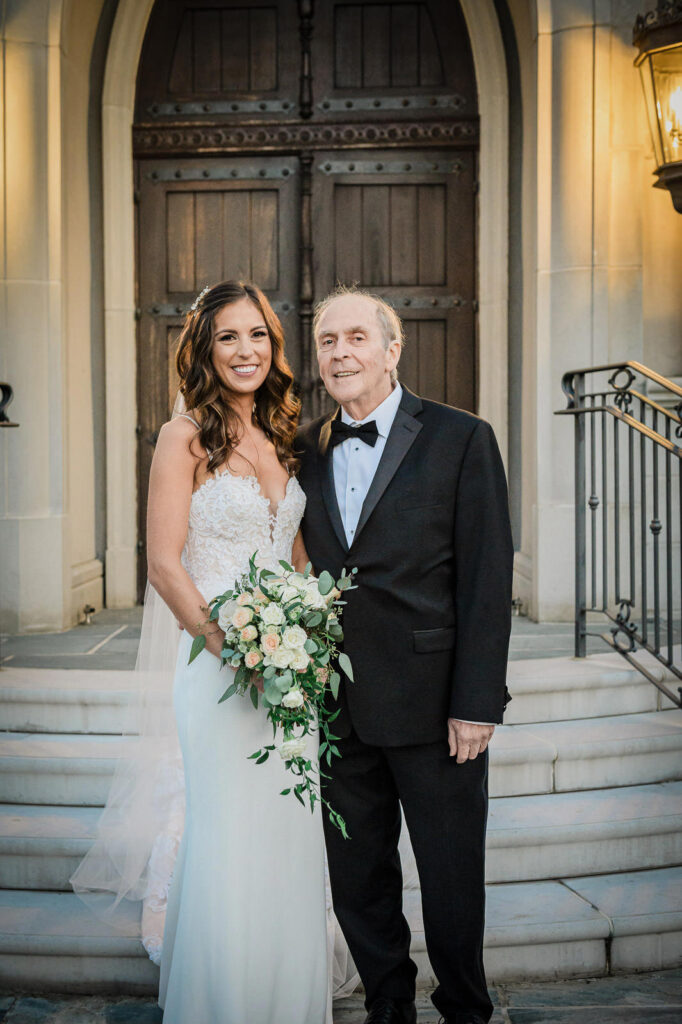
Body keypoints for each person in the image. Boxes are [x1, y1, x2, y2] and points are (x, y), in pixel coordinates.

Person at [72, 281, 332, 1024]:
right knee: (225, 833)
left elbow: (301, 559)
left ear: (274, 348)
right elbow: (163, 563)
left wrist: (304, 640)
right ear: (204, 350)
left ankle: (285, 1001)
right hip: (217, 668)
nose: (246, 351)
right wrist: (236, 649)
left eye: (258, 336)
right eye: (228, 338)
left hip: (289, 676)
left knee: (285, 834)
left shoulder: (288, 436)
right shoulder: (181, 436)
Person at [296, 286, 514, 1024]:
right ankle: (389, 1007)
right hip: (337, 705)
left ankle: (465, 1008)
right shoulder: (303, 449)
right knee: (358, 878)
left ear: (393, 350)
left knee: (452, 877)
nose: (340, 352)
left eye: (357, 337)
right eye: (327, 341)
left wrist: (477, 702)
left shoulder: (461, 437)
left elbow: (488, 577)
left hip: (434, 704)